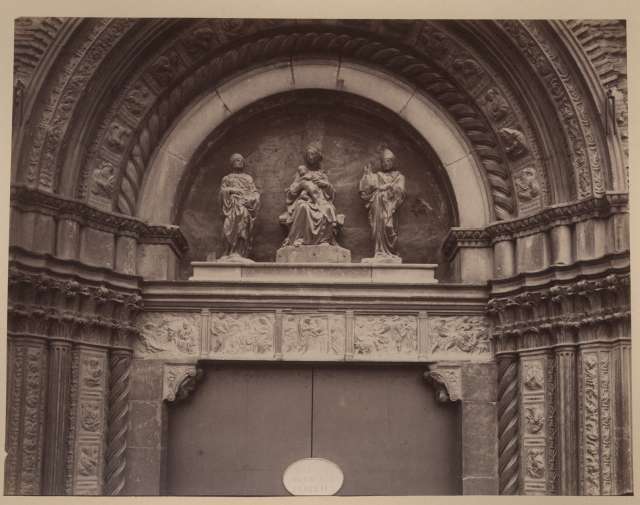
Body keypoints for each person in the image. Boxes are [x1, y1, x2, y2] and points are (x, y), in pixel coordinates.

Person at [279, 142, 342, 247]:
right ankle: (300, 238)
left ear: (318, 157)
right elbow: (291, 193)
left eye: (313, 154)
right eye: (309, 155)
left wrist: (325, 185)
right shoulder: (300, 174)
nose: (311, 157)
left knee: (327, 209)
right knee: (303, 207)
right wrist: (302, 183)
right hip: (305, 201)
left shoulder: (321, 174)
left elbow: (331, 194)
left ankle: (324, 240)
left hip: (320, 202)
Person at [359, 148, 407, 262]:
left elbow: (401, 192)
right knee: (377, 228)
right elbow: (366, 189)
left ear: (393, 162)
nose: (386, 163)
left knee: (388, 226)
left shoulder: (399, 176)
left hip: (390, 207)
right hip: (377, 205)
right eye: (384, 161)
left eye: (388, 161)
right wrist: (366, 175)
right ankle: (379, 251)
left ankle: (391, 252)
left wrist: (390, 188)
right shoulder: (377, 175)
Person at [219, 153, 260, 260]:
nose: (240, 162)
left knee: (242, 226)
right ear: (232, 163)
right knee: (228, 227)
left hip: (244, 206)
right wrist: (232, 190)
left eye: (241, 160)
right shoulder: (227, 178)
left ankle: (238, 251)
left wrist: (251, 199)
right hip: (231, 207)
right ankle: (227, 251)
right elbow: (222, 193)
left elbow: (255, 193)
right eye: (237, 160)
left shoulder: (248, 178)